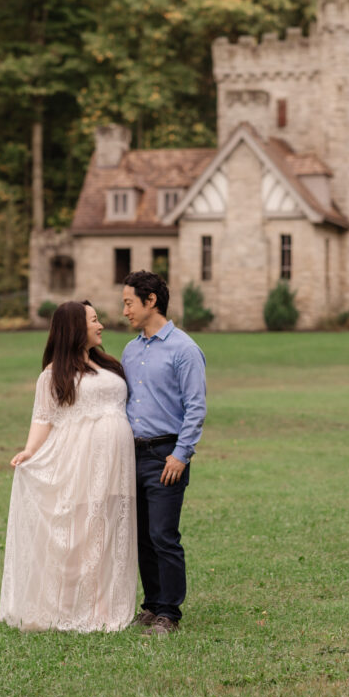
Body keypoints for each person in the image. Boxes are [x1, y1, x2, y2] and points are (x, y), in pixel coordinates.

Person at [0, 301, 137, 633]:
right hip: (80, 463)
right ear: (75, 327)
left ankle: (104, 608)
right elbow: (42, 418)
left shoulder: (108, 365)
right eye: (93, 320)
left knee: (109, 534)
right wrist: (30, 451)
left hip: (117, 465)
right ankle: (69, 608)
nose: (100, 325)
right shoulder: (53, 375)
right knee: (82, 537)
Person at [121, 271, 206, 636]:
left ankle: (169, 613)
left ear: (150, 300)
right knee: (141, 535)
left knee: (163, 534)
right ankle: (152, 604)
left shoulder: (185, 349)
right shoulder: (130, 350)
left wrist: (181, 454)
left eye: (128, 302)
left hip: (167, 455)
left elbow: (196, 406)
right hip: (131, 456)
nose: (124, 310)